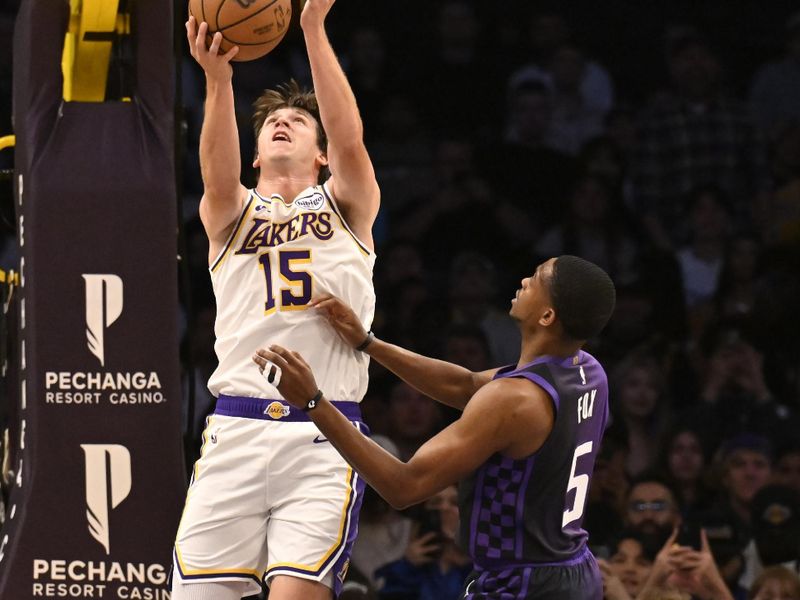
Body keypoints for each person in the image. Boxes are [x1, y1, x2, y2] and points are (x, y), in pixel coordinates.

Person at [253, 255, 617, 599]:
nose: (524, 280)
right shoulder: (587, 370)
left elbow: (403, 486)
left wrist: (313, 401)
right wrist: (368, 343)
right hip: (573, 569)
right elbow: (467, 386)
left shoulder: (515, 400)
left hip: (522, 583)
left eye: (536, 279)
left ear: (548, 315)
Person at [174, 0, 380, 598]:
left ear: (321, 155)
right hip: (236, 431)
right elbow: (215, 174)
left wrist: (313, 28)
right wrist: (218, 80)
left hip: (325, 434)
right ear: (255, 154)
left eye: (298, 122)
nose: (281, 124)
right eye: (268, 125)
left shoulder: (346, 206)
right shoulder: (231, 213)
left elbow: (351, 137)